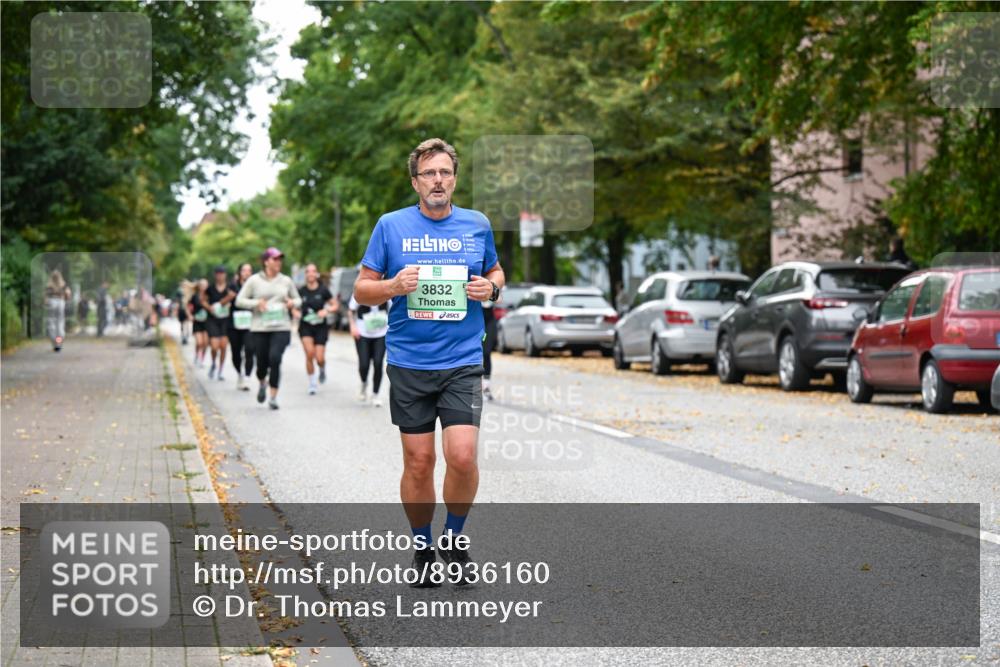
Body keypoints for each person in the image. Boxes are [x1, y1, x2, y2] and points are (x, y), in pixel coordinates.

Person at [354, 138, 505, 586]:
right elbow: (363, 289)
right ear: (415, 181)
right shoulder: (391, 226)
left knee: (461, 457)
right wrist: (393, 286)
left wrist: (491, 290)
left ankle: (453, 541)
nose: (437, 181)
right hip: (409, 361)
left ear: (454, 178)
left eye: (444, 172)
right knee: (419, 463)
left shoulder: (477, 224)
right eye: (428, 174)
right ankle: (422, 546)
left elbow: (495, 273)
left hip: (462, 360)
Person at [235, 247, 301, 410]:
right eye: (275, 259)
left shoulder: (285, 280)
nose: (279, 262)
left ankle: (273, 397)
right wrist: (257, 304)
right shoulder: (254, 280)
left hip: (281, 326)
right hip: (260, 328)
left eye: (280, 259)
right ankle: (262, 382)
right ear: (266, 262)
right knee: (262, 364)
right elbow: (239, 300)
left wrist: (292, 303)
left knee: (275, 358)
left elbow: (298, 299)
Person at [297, 263, 336, 395]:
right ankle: (312, 383)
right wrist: (295, 313)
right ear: (306, 274)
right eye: (308, 271)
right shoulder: (301, 291)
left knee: (319, 357)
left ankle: (322, 367)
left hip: (320, 327)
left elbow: (334, 305)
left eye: (313, 271)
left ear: (316, 274)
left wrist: (327, 310)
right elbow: (294, 306)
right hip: (305, 326)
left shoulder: (323, 290)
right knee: (309, 354)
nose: (311, 274)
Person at [348, 293, 388, 406]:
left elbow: (393, 307)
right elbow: (351, 311)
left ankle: (375, 394)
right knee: (364, 364)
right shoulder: (360, 290)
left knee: (378, 363)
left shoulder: (386, 289)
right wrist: (352, 326)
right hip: (362, 333)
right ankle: (364, 383)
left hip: (381, 333)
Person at [203, 266, 235, 381]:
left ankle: (221, 370)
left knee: (223, 346)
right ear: (215, 275)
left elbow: (234, 298)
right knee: (214, 346)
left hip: (225, 320)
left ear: (225, 275)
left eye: (222, 273)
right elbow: (203, 300)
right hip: (213, 319)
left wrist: (229, 300)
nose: (220, 276)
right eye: (218, 273)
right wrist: (209, 307)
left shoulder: (230, 287)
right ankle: (213, 363)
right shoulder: (210, 288)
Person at [227, 263, 255, 390]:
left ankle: (247, 377)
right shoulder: (232, 285)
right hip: (234, 323)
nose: (247, 272)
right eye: (244, 270)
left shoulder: (255, 285)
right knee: (236, 352)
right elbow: (225, 300)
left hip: (250, 322)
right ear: (239, 272)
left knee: (250, 349)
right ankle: (240, 373)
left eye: (249, 270)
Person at [44, 269, 71, 351]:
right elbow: (68, 294)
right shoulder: (63, 285)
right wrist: (66, 299)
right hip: (60, 303)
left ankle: (54, 343)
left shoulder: (49, 285)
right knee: (60, 324)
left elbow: (45, 298)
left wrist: (46, 302)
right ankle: (58, 343)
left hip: (51, 303)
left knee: (51, 324)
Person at [191, 279, 209, 367]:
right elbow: (188, 306)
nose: (204, 286)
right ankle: (197, 355)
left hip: (207, 322)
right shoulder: (195, 296)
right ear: (199, 286)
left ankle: (202, 359)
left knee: (205, 343)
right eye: (202, 285)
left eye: (205, 285)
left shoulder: (209, 296)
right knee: (199, 342)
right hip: (197, 321)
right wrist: (190, 315)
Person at [481, 299, 496, 401]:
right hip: (475, 317)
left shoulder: (491, 281)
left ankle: (486, 387)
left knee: (486, 352)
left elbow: (499, 297)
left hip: (489, 320)